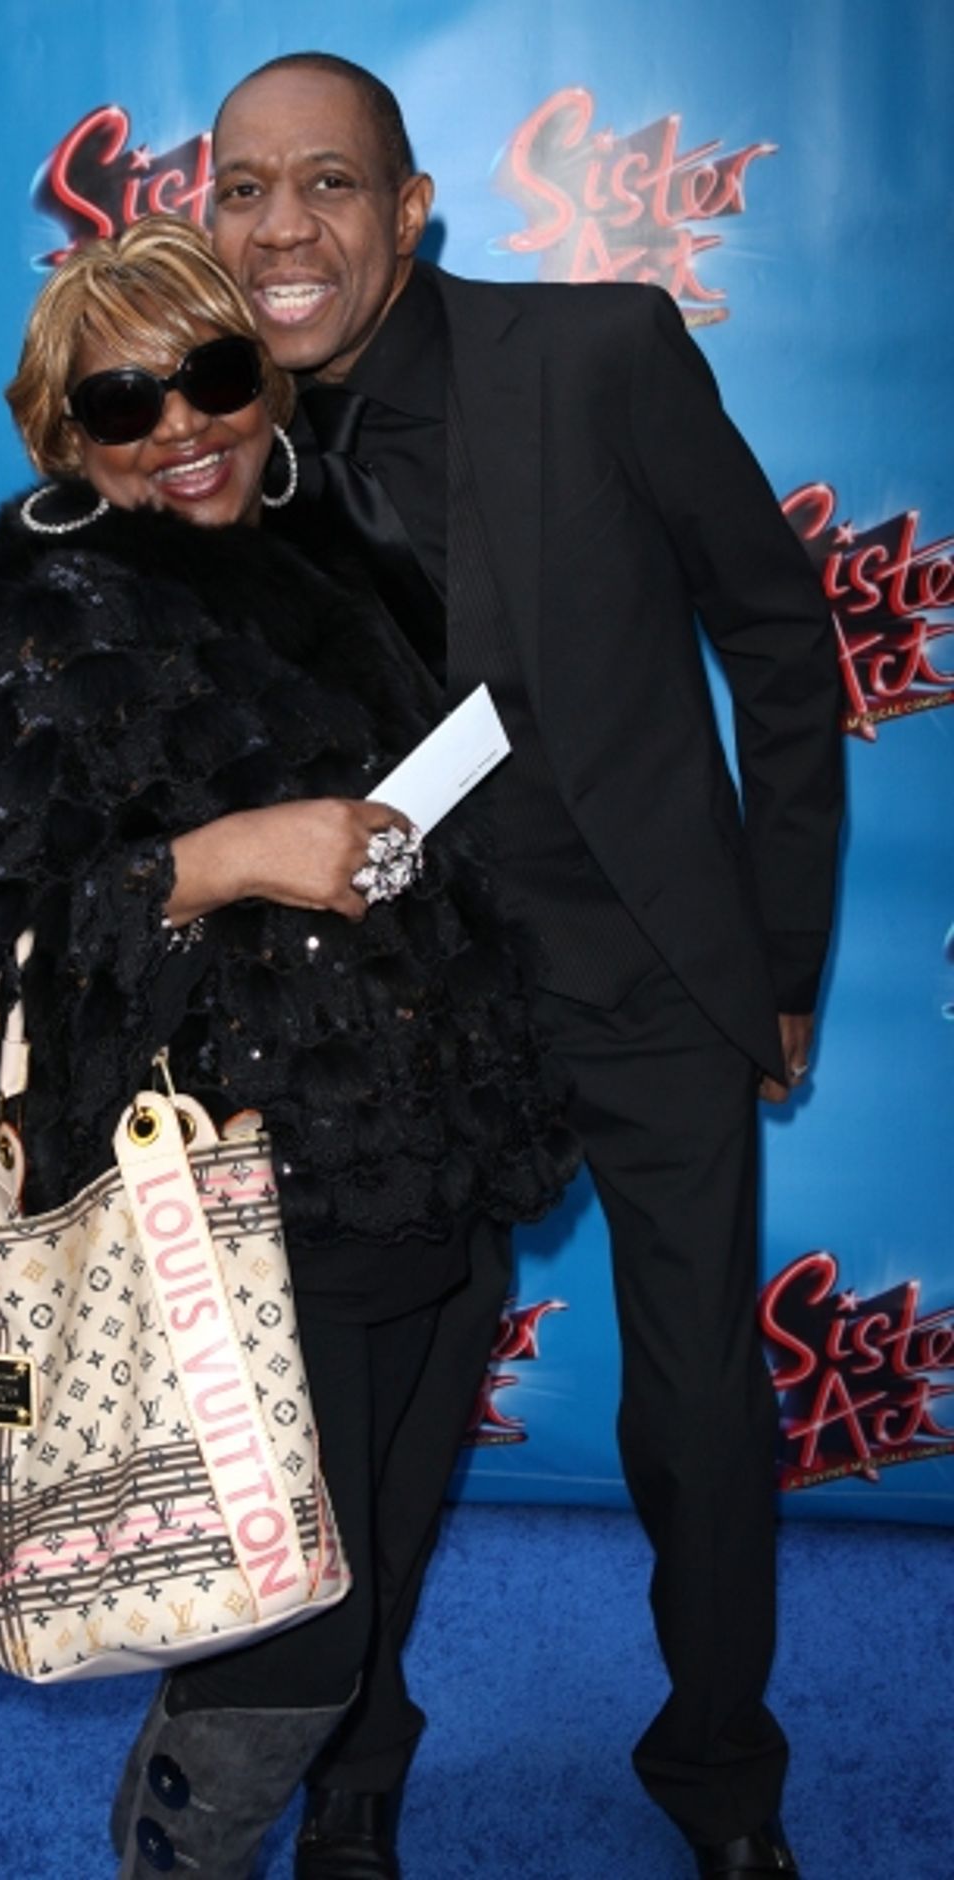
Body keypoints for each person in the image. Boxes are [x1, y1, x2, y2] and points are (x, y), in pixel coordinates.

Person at [0, 215, 576, 1879]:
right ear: (65, 437)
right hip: (246, 1197)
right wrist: (225, 856)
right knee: (286, 1623)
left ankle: (353, 1822)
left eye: (210, 377)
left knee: (385, 1558)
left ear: (265, 378)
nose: (181, 427)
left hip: (434, 1144)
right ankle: (182, 1854)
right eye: (124, 405)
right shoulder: (62, 634)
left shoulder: (358, 559)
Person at [209, 52, 844, 1880]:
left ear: (410, 209)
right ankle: (356, 1763)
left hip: (645, 974)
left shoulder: (601, 356)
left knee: (699, 1405)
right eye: (244, 189)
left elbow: (782, 640)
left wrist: (779, 946)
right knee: (372, 1429)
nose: (283, 227)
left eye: (327, 183)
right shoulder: (203, 438)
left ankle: (721, 1776)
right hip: (392, 1025)